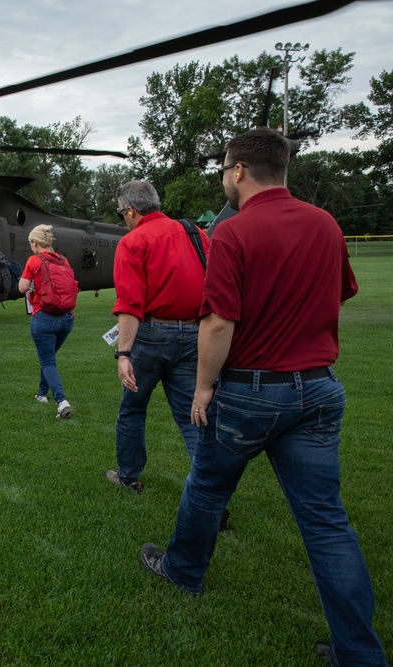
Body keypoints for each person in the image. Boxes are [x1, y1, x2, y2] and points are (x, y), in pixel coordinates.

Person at [140, 128, 386, 665]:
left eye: (225, 169)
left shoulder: (232, 231)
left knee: (206, 487)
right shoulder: (325, 223)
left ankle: (182, 571)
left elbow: (218, 321)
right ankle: (360, 654)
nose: (225, 178)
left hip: (251, 390)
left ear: (240, 170)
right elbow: (339, 292)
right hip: (319, 387)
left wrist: (203, 387)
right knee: (325, 521)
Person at [106, 180, 209, 494]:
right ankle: (208, 490)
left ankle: (129, 476)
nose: (123, 218)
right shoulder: (195, 233)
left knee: (134, 409)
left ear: (132, 210)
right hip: (195, 333)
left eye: (122, 213)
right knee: (193, 414)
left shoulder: (133, 241)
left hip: (151, 335)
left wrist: (123, 354)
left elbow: (130, 304)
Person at [17, 224, 74, 419]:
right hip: (66, 319)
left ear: (34, 243)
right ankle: (41, 394)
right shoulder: (63, 260)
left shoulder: (34, 260)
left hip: (43, 318)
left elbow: (22, 288)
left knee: (48, 361)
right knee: (48, 358)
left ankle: (61, 401)